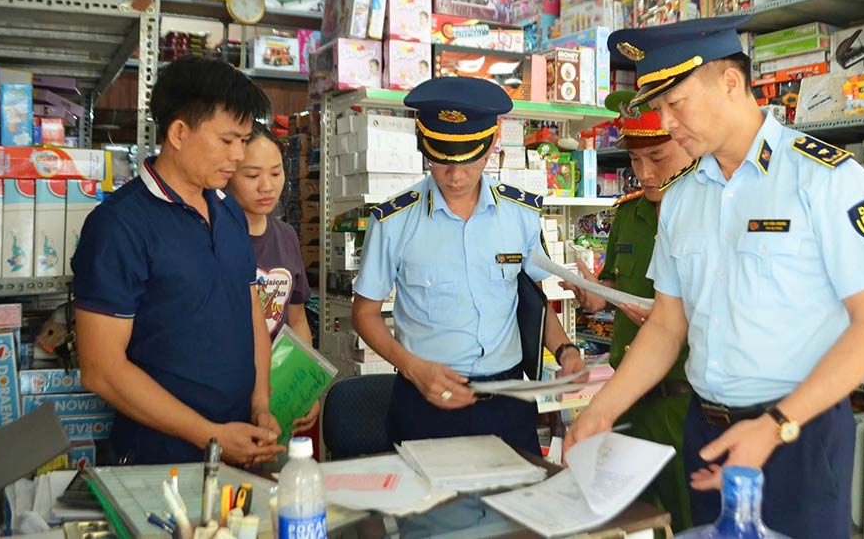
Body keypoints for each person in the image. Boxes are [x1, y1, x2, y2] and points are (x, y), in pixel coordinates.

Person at [565, 17, 864, 539]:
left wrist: (775, 426)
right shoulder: (681, 198)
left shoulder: (825, 179)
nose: (666, 122)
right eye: (657, 107)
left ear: (729, 82)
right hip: (708, 433)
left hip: (798, 433)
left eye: (676, 103)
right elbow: (667, 325)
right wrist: (601, 411)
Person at [352, 76, 587, 455]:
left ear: (493, 142)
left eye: (470, 159)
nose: (456, 175)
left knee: (519, 491)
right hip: (425, 401)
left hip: (508, 402)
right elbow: (364, 314)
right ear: (424, 144)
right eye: (442, 160)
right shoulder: (393, 220)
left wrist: (566, 351)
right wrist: (412, 368)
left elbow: (534, 302)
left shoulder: (521, 214)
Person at [73, 58, 285, 467]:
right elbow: (102, 370)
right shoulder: (119, 225)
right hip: (160, 459)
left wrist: (261, 402)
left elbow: (251, 312)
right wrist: (211, 436)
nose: (239, 155)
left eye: (244, 140)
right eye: (228, 140)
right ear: (179, 133)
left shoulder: (228, 211)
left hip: (240, 442)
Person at [561, 90, 695, 530]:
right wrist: (594, 294)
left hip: (683, 402)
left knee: (691, 520)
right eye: (635, 161)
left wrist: (670, 317)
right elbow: (616, 287)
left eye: (657, 157)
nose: (645, 174)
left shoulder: (708, 212)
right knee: (634, 522)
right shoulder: (628, 214)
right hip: (629, 401)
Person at [226, 122, 319, 436]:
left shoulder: (286, 235)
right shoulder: (214, 235)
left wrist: (306, 385)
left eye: (276, 173)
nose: (267, 186)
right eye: (252, 176)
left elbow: (297, 319)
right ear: (228, 173)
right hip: (228, 391)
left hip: (279, 386)